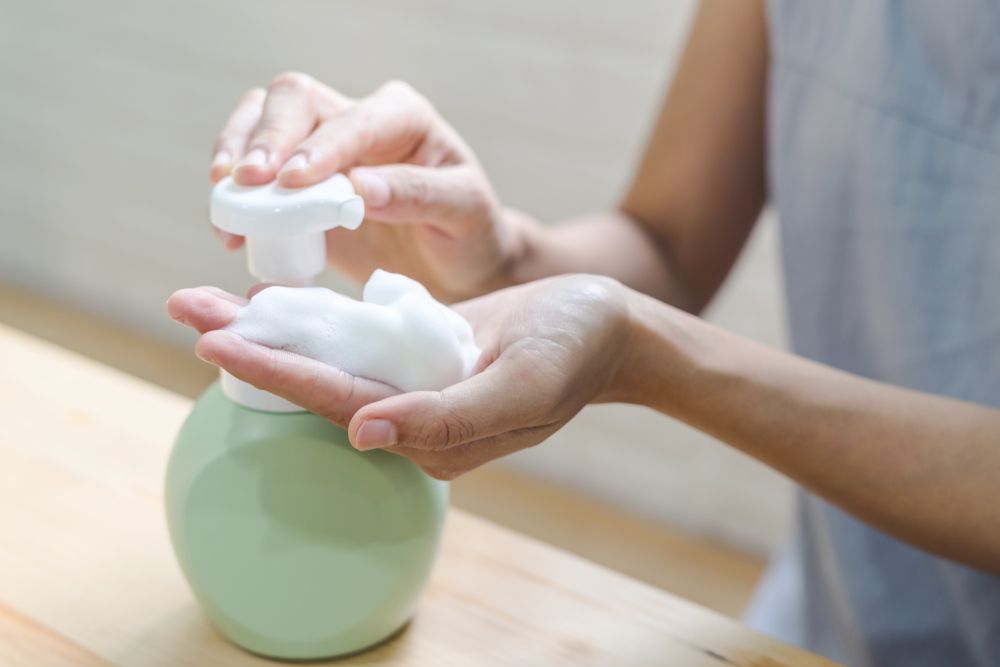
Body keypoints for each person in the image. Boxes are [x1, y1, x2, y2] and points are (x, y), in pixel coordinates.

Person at [167, 1, 1000, 664]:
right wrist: (497, 257)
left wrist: (645, 353)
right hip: (823, 620)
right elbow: (669, 246)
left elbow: (638, 322)